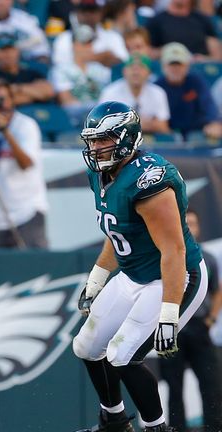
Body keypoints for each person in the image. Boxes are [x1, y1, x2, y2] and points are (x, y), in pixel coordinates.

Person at [73, 101, 208, 432]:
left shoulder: (149, 180)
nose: (96, 148)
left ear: (126, 137)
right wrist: (97, 279)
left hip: (174, 276)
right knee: (87, 347)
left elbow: (174, 250)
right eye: (92, 140)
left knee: (122, 355)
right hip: (134, 275)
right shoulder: (101, 173)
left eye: (104, 139)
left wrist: (168, 314)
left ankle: (156, 427)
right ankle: (115, 420)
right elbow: (117, 231)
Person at [158, 209, 222, 432]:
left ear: (199, 227)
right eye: (185, 223)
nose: (189, 227)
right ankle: (177, 428)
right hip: (171, 326)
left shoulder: (209, 259)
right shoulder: (163, 256)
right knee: (174, 387)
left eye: (193, 223)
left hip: (199, 326)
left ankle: (213, 428)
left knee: (211, 384)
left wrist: (211, 319)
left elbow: (218, 291)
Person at [0, 78, 48, 249]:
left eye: (3, 98)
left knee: (35, 266)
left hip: (27, 210)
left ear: (12, 100)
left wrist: (6, 132)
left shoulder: (25, 125)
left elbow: (26, 163)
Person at [156, 42, 222, 140]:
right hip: (167, 133)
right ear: (164, 66)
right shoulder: (157, 87)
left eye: (180, 64)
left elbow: (209, 106)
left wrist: (214, 122)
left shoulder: (196, 82)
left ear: (187, 66)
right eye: (172, 64)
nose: (176, 69)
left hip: (196, 131)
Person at [98, 54, 170, 135]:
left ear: (149, 73)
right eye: (132, 68)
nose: (136, 72)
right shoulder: (110, 92)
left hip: (150, 141)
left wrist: (124, 123)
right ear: (124, 71)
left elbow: (163, 127)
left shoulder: (158, 92)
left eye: (141, 68)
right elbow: (102, 125)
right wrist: (142, 123)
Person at [0, 31, 54, 107]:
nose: (7, 54)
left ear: (17, 51)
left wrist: (17, 88)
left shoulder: (31, 73)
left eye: (10, 49)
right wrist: (33, 94)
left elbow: (48, 92)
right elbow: (2, 101)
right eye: (3, 50)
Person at [146, 0, 222, 61]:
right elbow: (147, 51)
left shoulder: (203, 20)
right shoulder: (156, 21)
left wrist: (205, 59)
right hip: (171, 66)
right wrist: (166, 52)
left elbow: (217, 54)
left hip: (198, 66)